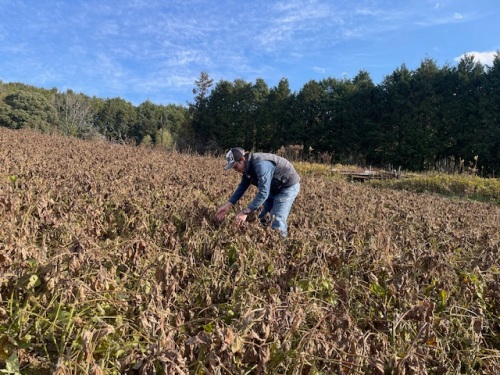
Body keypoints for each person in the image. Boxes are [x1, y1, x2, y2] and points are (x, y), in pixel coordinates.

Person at [215, 147, 300, 237]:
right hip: (274, 186)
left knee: (276, 219)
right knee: (264, 217)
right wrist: (228, 204)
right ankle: (264, 241)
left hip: (287, 186)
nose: (235, 169)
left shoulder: (261, 165)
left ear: (242, 159)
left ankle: (281, 244)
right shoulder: (247, 168)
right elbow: (242, 186)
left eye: (235, 166)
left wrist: (245, 212)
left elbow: (263, 193)